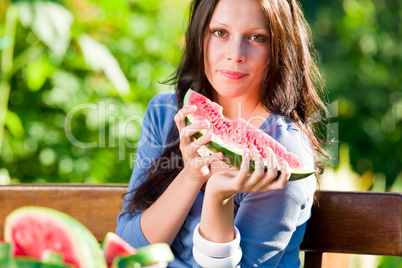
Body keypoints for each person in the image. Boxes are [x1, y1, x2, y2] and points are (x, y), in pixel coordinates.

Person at [116, 0, 328, 266]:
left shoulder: (283, 148)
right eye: (220, 32)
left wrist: (218, 195)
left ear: (279, 49)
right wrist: (192, 176)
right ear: (198, 35)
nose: (235, 53)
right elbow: (127, 249)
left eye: (256, 37)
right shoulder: (164, 112)